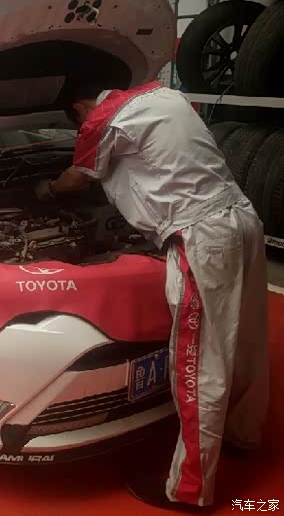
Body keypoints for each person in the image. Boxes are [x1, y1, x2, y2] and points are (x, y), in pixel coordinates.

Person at [35, 81, 269, 508]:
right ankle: (242, 434)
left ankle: (189, 490)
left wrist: (46, 191)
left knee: (199, 364)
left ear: (80, 106)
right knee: (246, 341)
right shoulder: (166, 95)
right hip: (242, 218)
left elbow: (76, 178)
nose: (81, 126)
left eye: (77, 121)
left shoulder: (101, 120)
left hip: (200, 238)